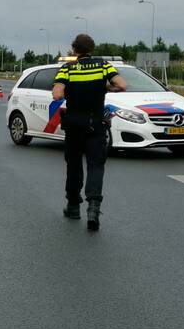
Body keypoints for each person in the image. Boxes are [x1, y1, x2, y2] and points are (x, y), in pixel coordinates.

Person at [51, 34, 127, 231]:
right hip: (96, 124)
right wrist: (104, 88)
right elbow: (122, 85)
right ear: (92, 49)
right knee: (95, 165)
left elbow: (57, 94)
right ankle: (94, 208)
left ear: (74, 50)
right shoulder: (103, 65)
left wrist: (72, 90)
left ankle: (73, 206)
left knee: (74, 165)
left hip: (74, 125)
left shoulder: (67, 68)